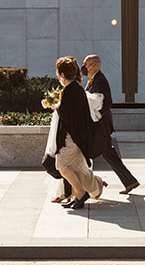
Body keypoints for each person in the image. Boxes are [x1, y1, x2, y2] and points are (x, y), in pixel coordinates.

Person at [49, 56, 105, 209]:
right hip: (77, 137)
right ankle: (79, 194)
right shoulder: (76, 88)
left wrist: (57, 106)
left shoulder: (70, 90)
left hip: (70, 138)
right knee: (75, 168)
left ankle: (80, 193)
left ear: (61, 73)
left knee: (61, 166)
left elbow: (67, 115)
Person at [83, 54, 140, 195]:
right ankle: (129, 181)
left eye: (86, 65)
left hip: (100, 125)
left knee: (99, 152)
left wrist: (96, 115)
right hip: (99, 125)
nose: (84, 68)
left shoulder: (100, 80)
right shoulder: (93, 79)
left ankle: (85, 186)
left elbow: (107, 103)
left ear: (95, 65)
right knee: (107, 153)